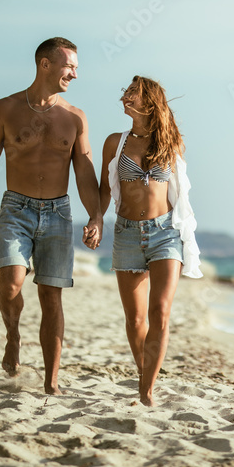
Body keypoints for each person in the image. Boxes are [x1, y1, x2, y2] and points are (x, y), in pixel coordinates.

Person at [0, 37, 102, 395]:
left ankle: (51, 381)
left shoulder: (75, 117)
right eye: (69, 66)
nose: (74, 73)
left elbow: (85, 173)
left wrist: (96, 216)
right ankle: (13, 336)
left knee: (51, 297)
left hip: (58, 212)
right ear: (45, 64)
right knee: (10, 284)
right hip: (16, 209)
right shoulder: (6, 109)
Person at [92, 75, 202, 407]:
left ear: (149, 102)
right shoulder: (115, 142)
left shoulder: (171, 141)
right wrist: (96, 219)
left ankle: (147, 390)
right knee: (136, 318)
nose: (125, 96)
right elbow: (102, 188)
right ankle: (144, 371)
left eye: (132, 93)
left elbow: (179, 189)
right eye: (125, 91)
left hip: (166, 233)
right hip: (126, 232)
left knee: (160, 312)